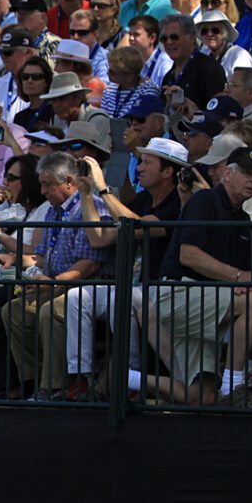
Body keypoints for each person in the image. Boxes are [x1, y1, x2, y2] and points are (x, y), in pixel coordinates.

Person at [60, 139, 188, 401]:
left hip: (162, 288)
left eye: (146, 163)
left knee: (122, 298)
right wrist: (86, 193)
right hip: (133, 286)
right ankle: (81, 378)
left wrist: (103, 189)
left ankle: (131, 377)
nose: (139, 168)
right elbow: (99, 238)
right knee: (76, 297)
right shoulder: (143, 200)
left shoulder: (178, 202)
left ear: (168, 171)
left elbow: (139, 226)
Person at [0, 152, 112, 401]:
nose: (42, 191)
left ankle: (55, 386)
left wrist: (54, 282)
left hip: (87, 287)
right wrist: (14, 258)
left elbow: (89, 264)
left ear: (69, 182)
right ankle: (35, 379)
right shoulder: (53, 211)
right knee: (13, 311)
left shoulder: (91, 206)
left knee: (52, 312)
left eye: (47, 184)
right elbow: (41, 257)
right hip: (58, 283)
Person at [151, 144, 252, 403]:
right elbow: (188, 255)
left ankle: (121, 377)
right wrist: (238, 278)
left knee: (202, 396)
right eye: (247, 172)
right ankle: (233, 388)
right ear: (227, 173)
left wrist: (240, 281)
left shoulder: (243, 219)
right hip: (179, 294)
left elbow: (243, 277)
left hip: (208, 300)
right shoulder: (205, 199)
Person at [159, 14, 227, 115]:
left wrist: (195, 113)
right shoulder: (168, 77)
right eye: (164, 39)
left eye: (174, 37)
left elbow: (220, 114)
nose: (168, 42)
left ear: (191, 38)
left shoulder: (209, 69)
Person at [198, 11, 252, 79]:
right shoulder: (202, 53)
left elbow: (245, 83)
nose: (209, 34)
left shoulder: (239, 55)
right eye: (204, 31)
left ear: (225, 33)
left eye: (215, 30)